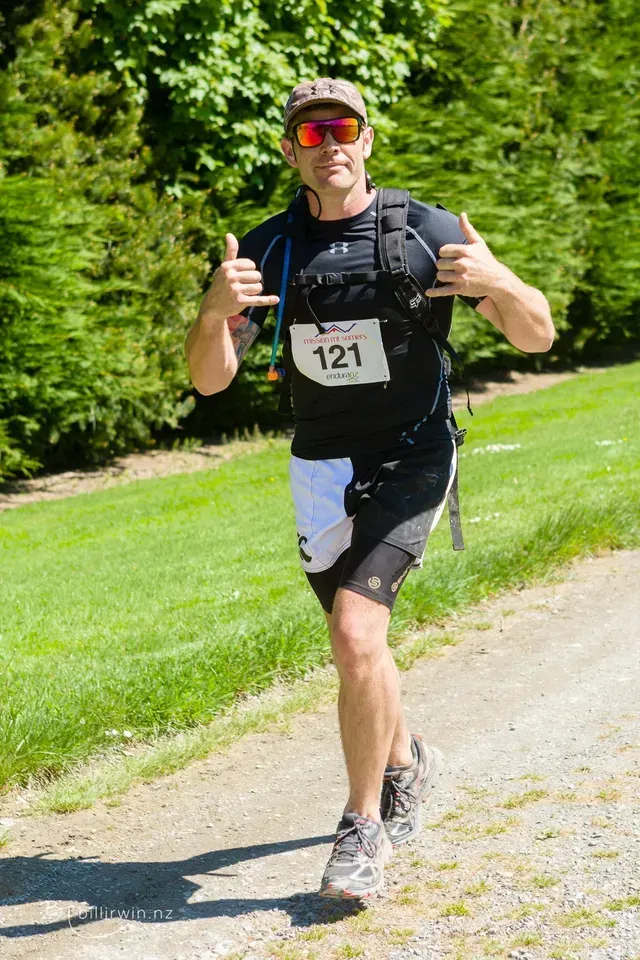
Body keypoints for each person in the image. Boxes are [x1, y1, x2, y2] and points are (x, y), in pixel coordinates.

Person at [185, 78, 555, 900]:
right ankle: (406, 760)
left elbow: (538, 334)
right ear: (291, 152)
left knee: (355, 635)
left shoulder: (424, 232)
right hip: (321, 466)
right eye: (311, 135)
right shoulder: (268, 250)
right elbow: (210, 384)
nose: (331, 145)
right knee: (363, 648)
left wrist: (498, 280)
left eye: (343, 128)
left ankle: (361, 833)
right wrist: (213, 315)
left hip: (415, 453)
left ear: (368, 139)